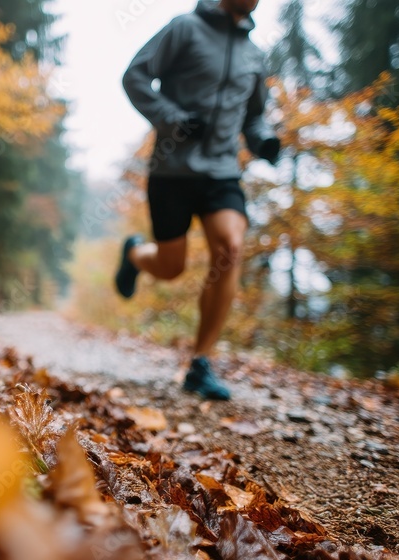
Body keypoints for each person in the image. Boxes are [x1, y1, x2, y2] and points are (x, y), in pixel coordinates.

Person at [118, 0, 280, 400]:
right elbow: (135, 77)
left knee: (231, 246)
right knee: (171, 267)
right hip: (172, 168)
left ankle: (200, 363)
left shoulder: (254, 54)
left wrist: (263, 141)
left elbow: (254, 116)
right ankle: (136, 255)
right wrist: (171, 118)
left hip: (222, 173)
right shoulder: (184, 29)